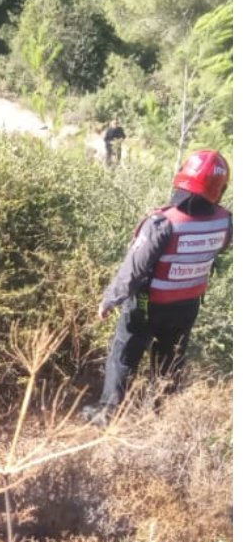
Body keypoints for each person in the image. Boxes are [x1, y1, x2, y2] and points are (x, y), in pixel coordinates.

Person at [86, 149, 231, 424]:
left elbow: (135, 267)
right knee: (169, 360)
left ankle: (109, 416)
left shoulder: (163, 223)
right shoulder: (225, 222)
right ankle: (159, 416)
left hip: (147, 305)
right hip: (187, 306)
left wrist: (110, 299)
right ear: (219, 190)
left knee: (124, 354)